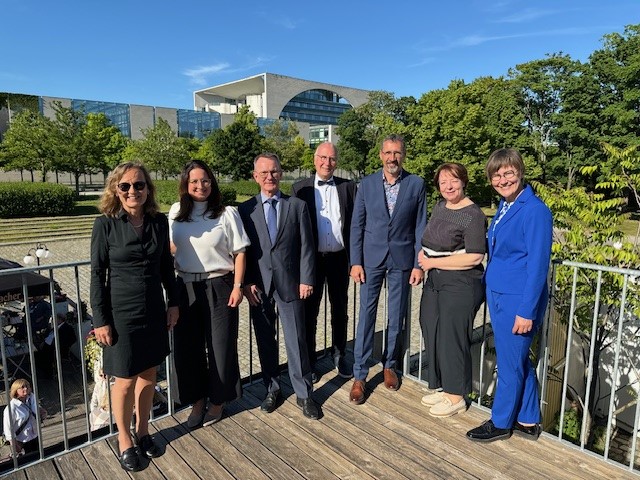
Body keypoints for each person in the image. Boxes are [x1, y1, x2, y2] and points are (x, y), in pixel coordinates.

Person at [90, 162, 179, 471]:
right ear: (116, 190)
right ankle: (124, 439)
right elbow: (97, 274)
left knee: (149, 374)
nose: (132, 191)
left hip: (153, 309)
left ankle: (143, 431)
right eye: (125, 186)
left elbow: (166, 266)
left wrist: (173, 303)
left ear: (147, 189)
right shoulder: (105, 224)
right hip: (121, 314)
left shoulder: (159, 221)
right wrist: (100, 320)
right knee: (125, 380)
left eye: (139, 185)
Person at [466, 148, 552, 442]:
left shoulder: (535, 210)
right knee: (517, 359)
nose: (502, 180)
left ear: (520, 172)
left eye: (508, 173)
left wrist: (527, 311)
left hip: (518, 300)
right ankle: (528, 419)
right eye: (496, 175)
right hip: (501, 295)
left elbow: (538, 267)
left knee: (509, 363)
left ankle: (500, 422)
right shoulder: (506, 205)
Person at [168, 160, 250, 429]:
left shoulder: (226, 213)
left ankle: (218, 401)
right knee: (188, 349)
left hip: (219, 285)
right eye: (194, 181)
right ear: (185, 184)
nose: (200, 185)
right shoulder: (176, 211)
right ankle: (197, 401)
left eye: (205, 180)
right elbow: (169, 247)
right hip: (185, 287)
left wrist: (238, 286)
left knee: (221, 347)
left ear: (212, 182)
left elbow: (240, 253)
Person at [238, 153, 319, 420]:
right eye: (263, 173)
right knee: (265, 341)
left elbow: (307, 245)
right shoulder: (245, 210)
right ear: (255, 177)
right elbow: (242, 251)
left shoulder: (296, 206)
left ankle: (304, 394)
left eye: (273, 171)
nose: (269, 177)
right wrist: (246, 282)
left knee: (297, 340)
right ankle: (272, 389)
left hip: (291, 284)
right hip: (259, 287)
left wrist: (307, 279)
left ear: (281, 174)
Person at [349, 134, 427, 404]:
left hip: (402, 260)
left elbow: (420, 226)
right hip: (371, 259)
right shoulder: (367, 184)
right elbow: (357, 225)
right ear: (381, 155)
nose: (392, 158)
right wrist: (355, 261)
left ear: (403, 155)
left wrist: (418, 264)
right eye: (388, 153)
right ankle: (360, 374)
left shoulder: (416, 184)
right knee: (366, 316)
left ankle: (390, 365)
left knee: (396, 316)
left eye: (397, 153)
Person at [417, 163, 486, 417]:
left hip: (461, 283)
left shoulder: (473, 214)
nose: (448, 186)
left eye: (454, 181)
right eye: (443, 181)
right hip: (436, 280)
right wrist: (424, 255)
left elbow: (475, 256)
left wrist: (433, 262)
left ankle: (456, 397)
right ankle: (444, 386)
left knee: (452, 337)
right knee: (431, 327)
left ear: (464, 182)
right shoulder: (440, 207)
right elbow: (432, 239)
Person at [291, 142, 357, 381]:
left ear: (336, 162)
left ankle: (339, 354)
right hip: (312, 260)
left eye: (331, 158)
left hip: (340, 258)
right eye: (323, 157)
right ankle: (309, 360)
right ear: (314, 159)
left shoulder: (348, 187)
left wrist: (356, 261)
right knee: (310, 312)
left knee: (340, 309)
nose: (327, 163)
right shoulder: (300, 189)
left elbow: (355, 226)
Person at [2, 379, 47, 458]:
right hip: (22, 440)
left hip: (35, 434)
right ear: (16, 391)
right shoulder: (11, 408)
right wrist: (15, 446)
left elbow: (36, 407)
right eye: (22, 387)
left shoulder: (31, 397)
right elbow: (8, 429)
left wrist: (41, 411)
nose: (25, 388)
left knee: (38, 455)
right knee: (28, 459)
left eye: (27, 386)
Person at [34, 312, 77, 379]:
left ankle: (48, 373)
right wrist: (44, 341)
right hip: (48, 344)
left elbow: (72, 339)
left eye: (54, 319)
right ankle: (40, 368)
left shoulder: (66, 328)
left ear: (60, 320)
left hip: (57, 348)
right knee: (36, 350)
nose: (53, 321)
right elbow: (49, 335)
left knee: (42, 354)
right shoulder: (56, 326)